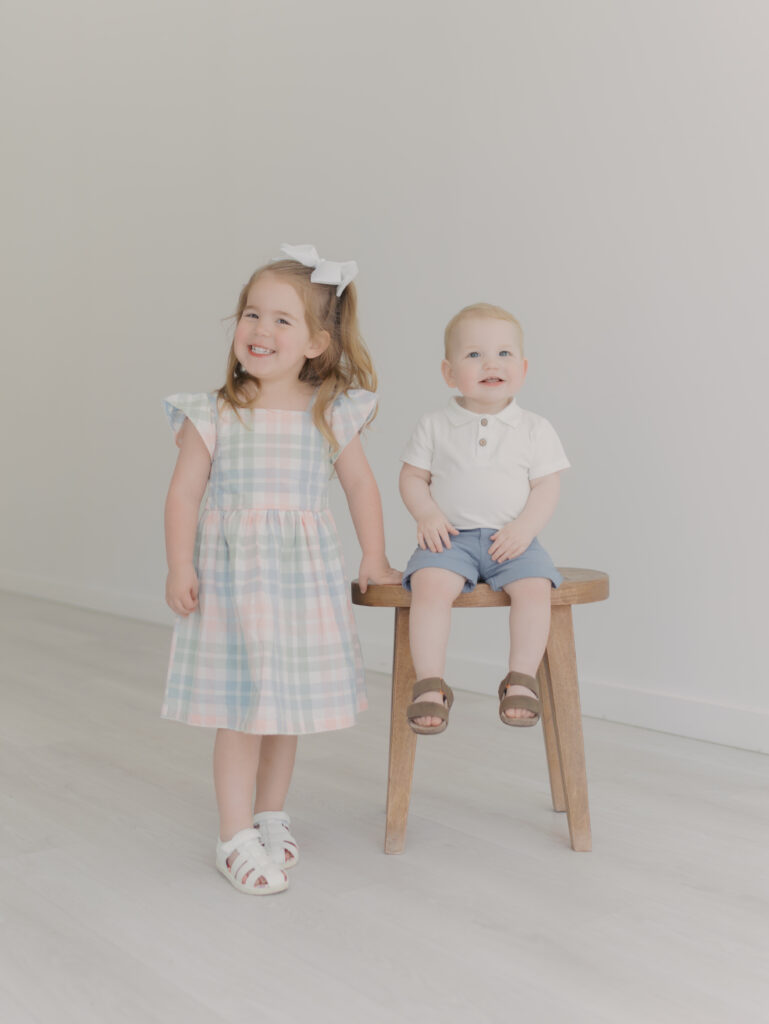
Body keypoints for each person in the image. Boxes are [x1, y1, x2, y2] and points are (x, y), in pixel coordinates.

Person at [163, 244, 401, 895]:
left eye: (281, 320)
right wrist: (179, 563)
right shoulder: (212, 413)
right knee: (241, 710)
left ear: (318, 343)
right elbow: (183, 493)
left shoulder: (329, 412)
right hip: (235, 584)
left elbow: (360, 489)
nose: (260, 331)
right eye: (250, 314)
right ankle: (232, 834)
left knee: (284, 709)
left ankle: (270, 812)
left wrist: (373, 556)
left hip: (301, 585)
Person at [399, 303, 569, 735]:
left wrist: (525, 529)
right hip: (450, 538)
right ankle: (431, 683)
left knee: (535, 588)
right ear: (448, 371)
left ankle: (521, 678)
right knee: (429, 586)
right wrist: (426, 512)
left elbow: (547, 487)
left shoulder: (534, 428)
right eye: (474, 355)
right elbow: (413, 477)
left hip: (513, 540)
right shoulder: (435, 424)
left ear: (523, 368)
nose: (491, 363)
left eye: (504, 354)